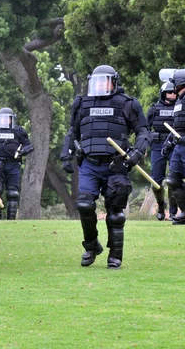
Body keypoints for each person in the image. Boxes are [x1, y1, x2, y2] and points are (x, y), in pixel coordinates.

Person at [61, 65, 150, 269]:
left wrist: (137, 153)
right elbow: (72, 132)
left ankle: (115, 254)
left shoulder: (128, 104)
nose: (101, 85)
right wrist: (66, 154)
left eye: (105, 81)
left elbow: (144, 132)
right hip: (89, 165)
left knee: (115, 212)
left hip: (115, 165)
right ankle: (91, 246)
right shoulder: (82, 104)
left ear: (114, 82)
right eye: (97, 81)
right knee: (84, 204)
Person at [0, 108, 34, 220]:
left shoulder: (19, 131)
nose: (5, 121)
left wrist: (23, 152)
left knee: (13, 193)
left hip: (13, 164)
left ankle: (11, 220)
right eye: (3, 119)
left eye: (7, 119)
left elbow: (29, 146)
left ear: (12, 119)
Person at [147, 80, 177, 220]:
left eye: (174, 92)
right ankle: (161, 205)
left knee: (173, 179)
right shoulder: (154, 109)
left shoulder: (180, 107)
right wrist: (145, 146)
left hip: (174, 145)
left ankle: (173, 212)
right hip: (157, 145)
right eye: (169, 92)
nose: (172, 94)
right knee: (155, 181)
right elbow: (144, 129)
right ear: (163, 93)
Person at [163, 69, 185, 225]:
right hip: (179, 145)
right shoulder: (179, 101)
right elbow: (176, 126)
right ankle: (184, 212)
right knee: (172, 180)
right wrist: (168, 142)